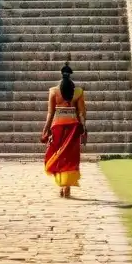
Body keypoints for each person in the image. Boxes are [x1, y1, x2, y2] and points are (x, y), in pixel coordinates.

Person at [41, 63, 87, 198]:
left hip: (57, 127)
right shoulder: (78, 92)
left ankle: (62, 185)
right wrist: (84, 128)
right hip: (73, 127)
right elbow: (82, 113)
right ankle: (67, 186)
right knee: (71, 157)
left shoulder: (53, 91)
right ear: (70, 75)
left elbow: (50, 113)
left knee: (58, 156)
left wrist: (46, 129)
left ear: (61, 75)